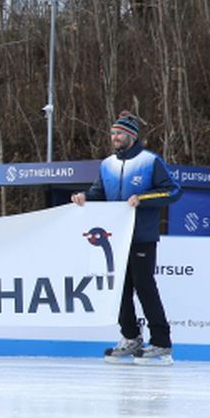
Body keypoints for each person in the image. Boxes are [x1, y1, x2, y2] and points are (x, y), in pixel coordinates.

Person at [71, 111, 182, 365]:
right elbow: (99, 192)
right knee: (120, 289)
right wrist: (84, 197)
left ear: (131, 136)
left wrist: (142, 199)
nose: (114, 137)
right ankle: (131, 337)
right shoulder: (107, 164)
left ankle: (162, 342)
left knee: (144, 286)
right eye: (112, 133)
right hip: (116, 239)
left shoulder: (150, 161)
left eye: (119, 133)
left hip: (141, 236)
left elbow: (173, 191)